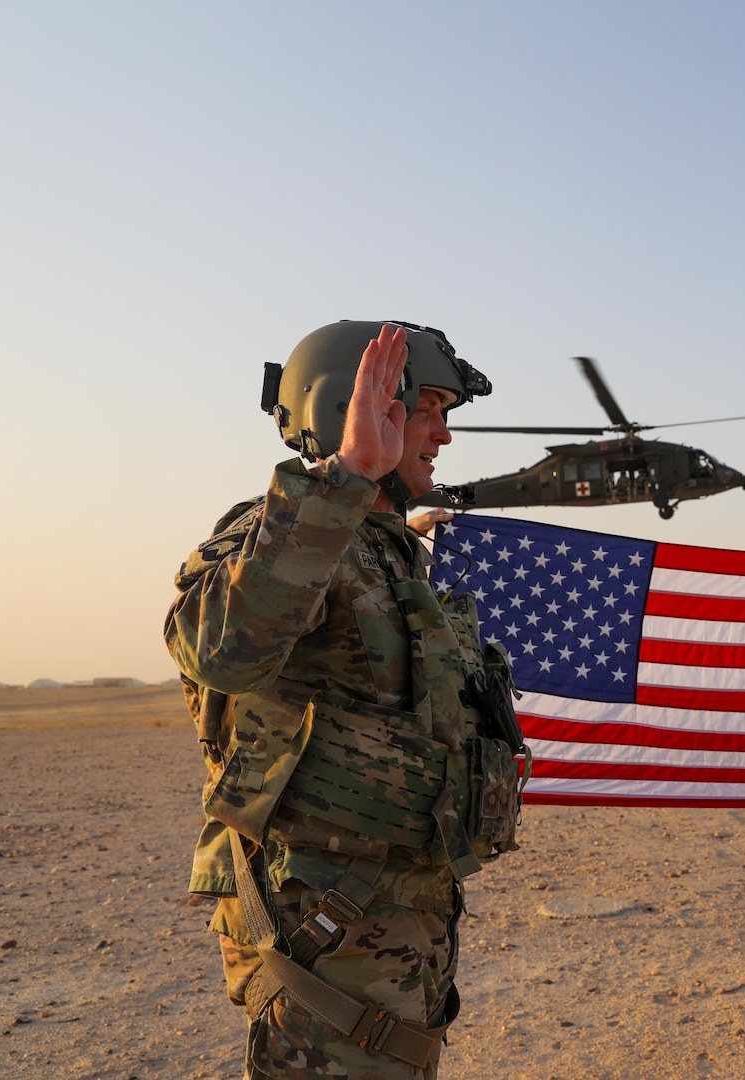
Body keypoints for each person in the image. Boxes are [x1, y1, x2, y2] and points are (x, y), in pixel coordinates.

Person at [166, 321, 525, 1079]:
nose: (445, 435)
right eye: (426, 407)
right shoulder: (277, 529)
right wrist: (350, 477)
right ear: (347, 409)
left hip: (399, 921)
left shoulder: (379, 552)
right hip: (326, 926)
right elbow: (218, 648)